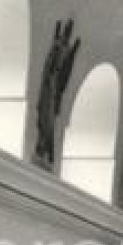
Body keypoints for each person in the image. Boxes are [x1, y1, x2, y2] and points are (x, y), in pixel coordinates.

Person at [33, 18, 81, 169]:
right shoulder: (57, 48)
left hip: (53, 94)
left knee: (49, 122)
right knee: (45, 122)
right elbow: (52, 64)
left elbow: (65, 69)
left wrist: (73, 50)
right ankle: (45, 152)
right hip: (49, 93)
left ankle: (47, 152)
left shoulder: (61, 52)